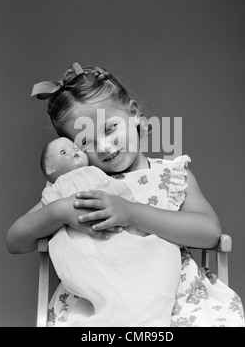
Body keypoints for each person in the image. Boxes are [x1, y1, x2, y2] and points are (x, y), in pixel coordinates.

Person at [7, 62, 245, 327]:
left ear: (133, 114)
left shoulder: (171, 176)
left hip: (172, 297)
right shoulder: (79, 187)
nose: (105, 146)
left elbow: (210, 232)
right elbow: (16, 241)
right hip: (101, 304)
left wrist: (131, 213)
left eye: (110, 129)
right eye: (85, 142)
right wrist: (59, 211)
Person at [39, 136, 182, 327]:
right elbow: (44, 215)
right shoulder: (54, 189)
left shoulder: (96, 173)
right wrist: (60, 212)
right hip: (84, 245)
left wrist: (129, 206)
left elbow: (121, 193)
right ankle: (113, 313)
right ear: (50, 169)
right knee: (98, 277)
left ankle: (145, 316)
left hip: (116, 236)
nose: (74, 151)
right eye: (64, 152)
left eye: (75, 148)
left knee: (159, 254)